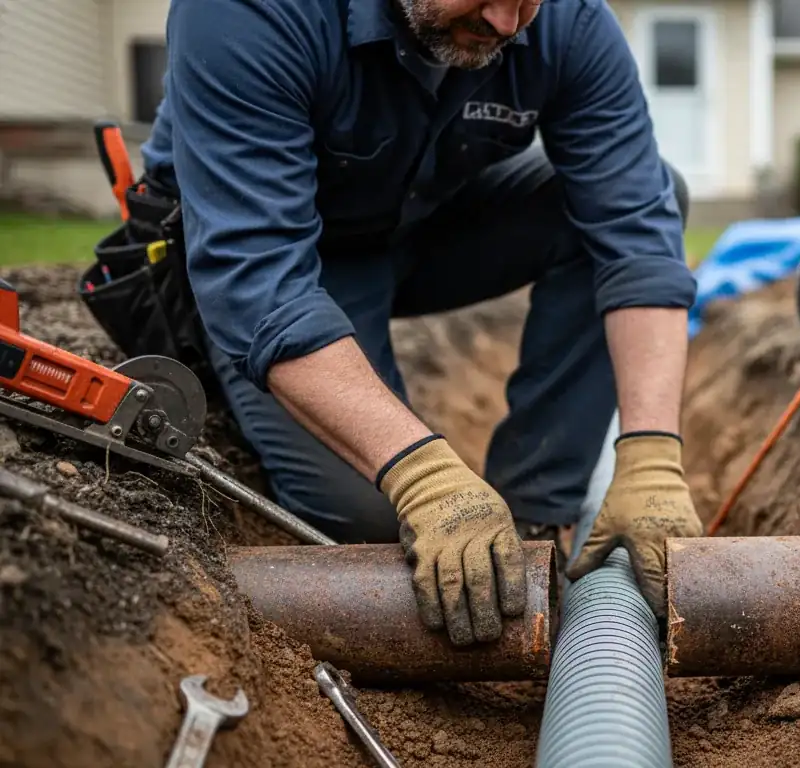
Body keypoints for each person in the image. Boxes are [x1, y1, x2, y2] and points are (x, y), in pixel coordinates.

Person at [136, 0, 705, 646]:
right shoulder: (249, 12)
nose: (505, 22)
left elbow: (638, 240)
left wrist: (654, 454)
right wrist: (424, 476)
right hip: (282, 254)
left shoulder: (566, 22)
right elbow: (258, 282)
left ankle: (532, 520)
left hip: (421, 221)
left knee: (658, 190)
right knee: (374, 518)